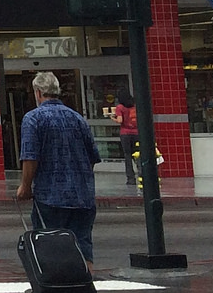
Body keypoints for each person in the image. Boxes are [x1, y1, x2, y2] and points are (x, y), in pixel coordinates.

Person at [15, 70, 100, 265]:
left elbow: (30, 157)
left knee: (48, 245)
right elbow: (92, 156)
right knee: (82, 245)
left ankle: (52, 287)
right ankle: (84, 286)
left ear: (38, 92)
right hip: (83, 197)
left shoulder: (33, 118)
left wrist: (25, 187)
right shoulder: (77, 118)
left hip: (50, 196)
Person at [110, 90, 141, 187]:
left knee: (127, 156)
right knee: (138, 155)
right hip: (136, 133)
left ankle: (131, 178)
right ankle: (142, 174)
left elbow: (120, 120)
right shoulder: (135, 105)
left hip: (125, 133)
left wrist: (112, 118)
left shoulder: (120, 107)